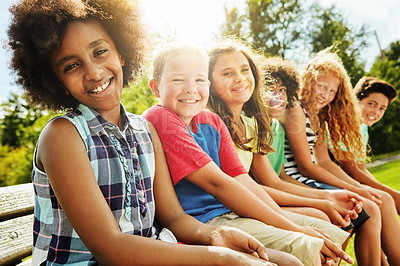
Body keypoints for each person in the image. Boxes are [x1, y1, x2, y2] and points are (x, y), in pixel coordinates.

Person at [7, 0, 279, 265]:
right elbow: (110, 249)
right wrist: (218, 257)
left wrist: (217, 235)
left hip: (155, 250)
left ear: (121, 53)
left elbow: (174, 218)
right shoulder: (62, 136)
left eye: (100, 52)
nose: (94, 72)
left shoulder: (144, 130)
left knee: (285, 261)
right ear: (58, 83)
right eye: (71, 65)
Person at [144, 42, 354, 266]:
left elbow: (242, 179)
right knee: (302, 245)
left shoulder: (211, 121)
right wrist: (294, 229)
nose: (190, 88)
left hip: (234, 213)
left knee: (324, 231)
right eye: (178, 79)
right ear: (156, 88)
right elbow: (217, 183)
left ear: (207, 83)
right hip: (208, 221)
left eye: (198, 79)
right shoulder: (161, 119)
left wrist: (284, 221)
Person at [282, 50, 400, 265]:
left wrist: (357, 186)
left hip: (307, 177)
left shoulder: (317, 117)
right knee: (368, 207)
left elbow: (325, 162)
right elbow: (306, 166)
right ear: (308, 80)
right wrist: (355, 189)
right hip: (294, 179)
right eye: (321, 86)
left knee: (371, 203)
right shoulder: (295, 110)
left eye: (332, 91)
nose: (325, 95)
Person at [331, 76, 400, 214]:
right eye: (371, 104)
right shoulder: (343, 124)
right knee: (385, 199)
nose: (376, 112)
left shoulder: (363, 128)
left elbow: (361, 167)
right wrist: (392, 194)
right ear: (356, 100)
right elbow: (351, 170)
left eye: (382, 108)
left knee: (385, 199)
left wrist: (382, 189)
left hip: (346, 183)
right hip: (333, 182)